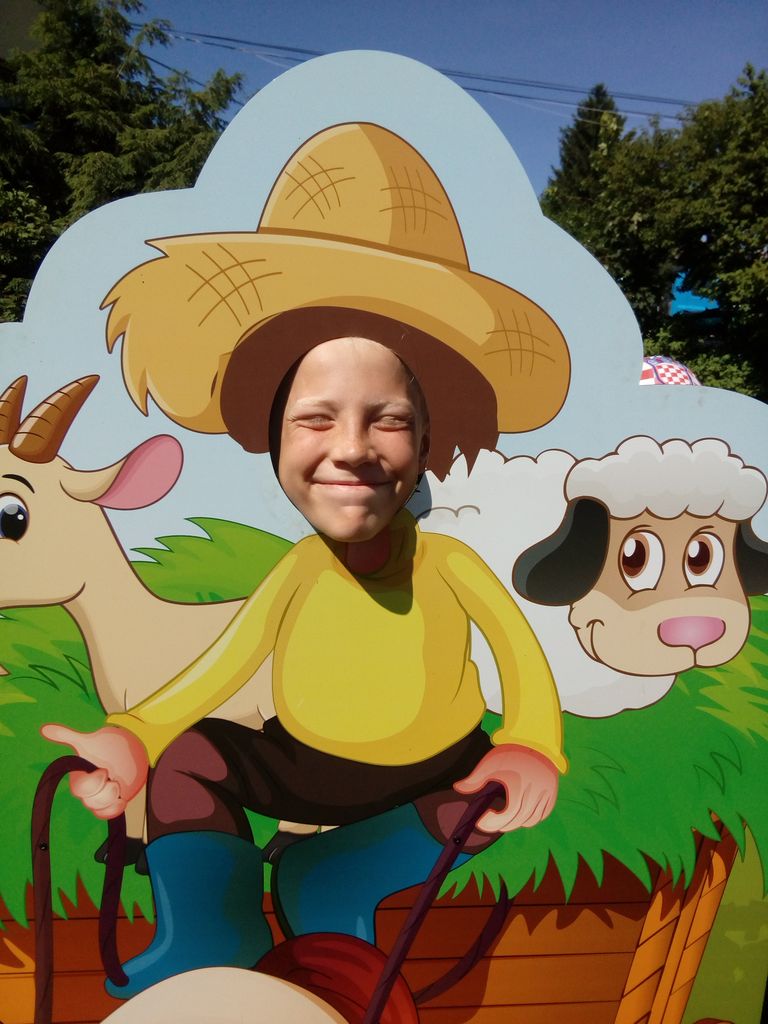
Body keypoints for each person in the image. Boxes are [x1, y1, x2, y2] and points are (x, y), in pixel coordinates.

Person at [44, 123, 571, 999]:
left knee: (485, 796)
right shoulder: (297, 569)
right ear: (275, 440)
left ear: (427, 444)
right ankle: (210, 931)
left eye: (389, 420)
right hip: (304, 761)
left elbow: (522, 661)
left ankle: (331, 882)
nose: (351, 449)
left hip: (432, 773)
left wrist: (530, 748)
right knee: (194, 758)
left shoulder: (447, 563)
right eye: (315, 419)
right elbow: (222, 668)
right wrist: (136, 738)